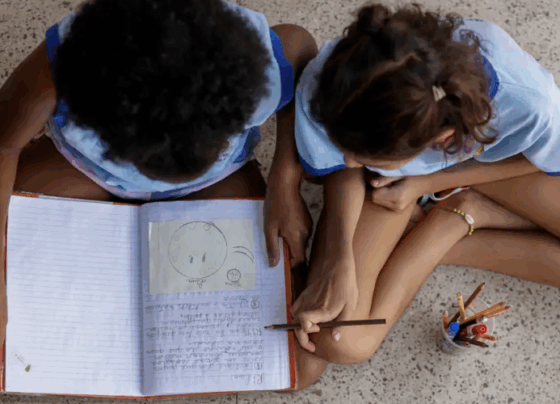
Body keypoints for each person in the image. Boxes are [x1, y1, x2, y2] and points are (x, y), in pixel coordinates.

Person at [264, 3, 560, 389]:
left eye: (363, 156)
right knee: (341, 340)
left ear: (441, 141)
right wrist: (339, 258)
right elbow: (346, 169)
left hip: (485, 165)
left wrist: (426, 183)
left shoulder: (531, 103)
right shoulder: (339, 79)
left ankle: (458, 215)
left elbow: (535, 158)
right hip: (387, 183)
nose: (348, 160)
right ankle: (452, 219)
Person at [0, 0, 317, 347]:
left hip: (219, 177)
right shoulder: (64, 68)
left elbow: (301, 51)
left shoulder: (258, 68)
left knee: (283, 322)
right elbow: (4, 145)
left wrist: (285, 180)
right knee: (18, 238)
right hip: (88, 169)